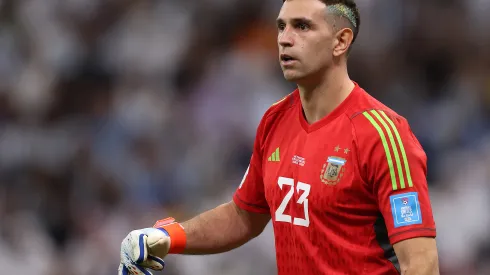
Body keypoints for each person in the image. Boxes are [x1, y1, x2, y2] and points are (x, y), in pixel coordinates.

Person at [118, 0, 440, 274]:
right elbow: (245, 215)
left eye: (302, 27)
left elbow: (421, 264)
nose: (285, 39)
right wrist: (169, 236)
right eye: (281, 26)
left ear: (340, 41)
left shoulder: (382, 134)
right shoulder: (275, 120)